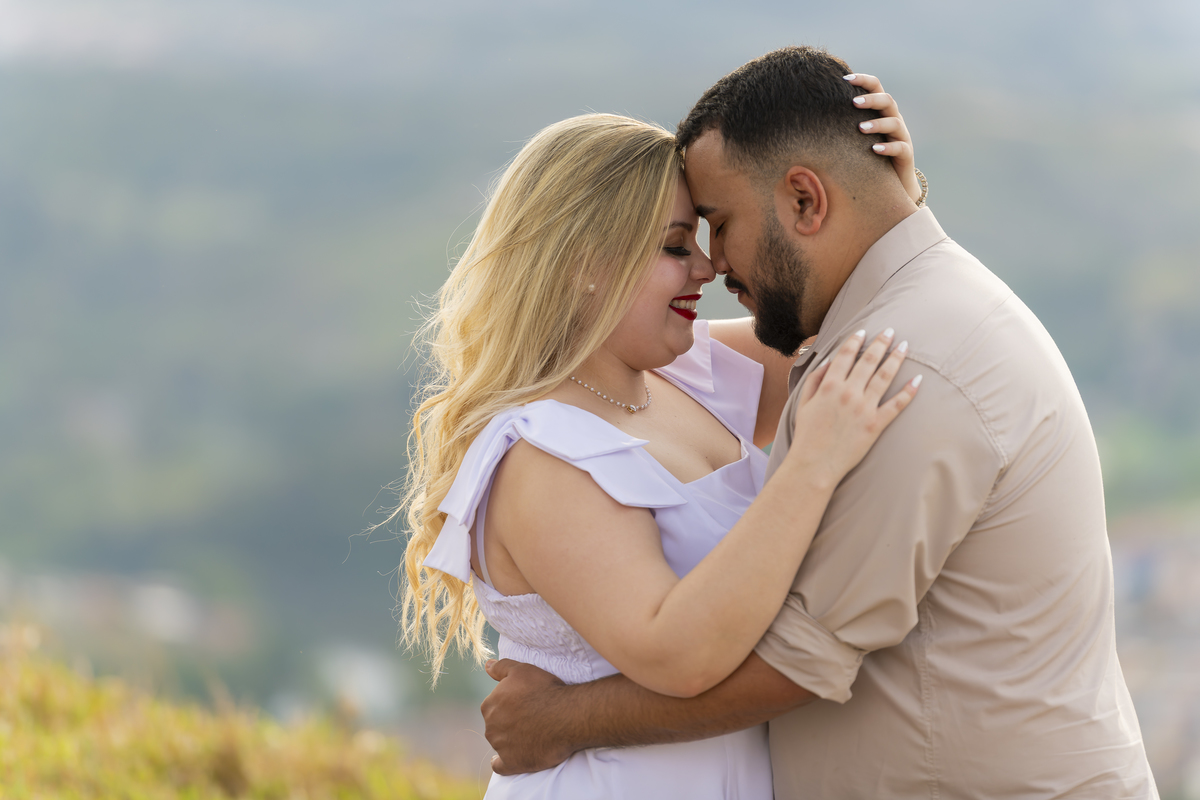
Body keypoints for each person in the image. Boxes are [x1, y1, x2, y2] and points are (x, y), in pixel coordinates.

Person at [479, 46, 1160, 798]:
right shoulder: (869, 338)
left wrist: (561, 722)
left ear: (804, 201)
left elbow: (795, 662)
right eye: (681, 244)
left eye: (715, 225)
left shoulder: (898, 367)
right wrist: (893, 202)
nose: (711, 266)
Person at [395, 79, 924, 797]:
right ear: (587, 264)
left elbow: (866, 320)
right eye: (677, 246)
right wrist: (813, 464)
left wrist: (891, 192)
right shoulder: (541, 456)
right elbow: (679, 655)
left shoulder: (690, 371)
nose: (707, 268)